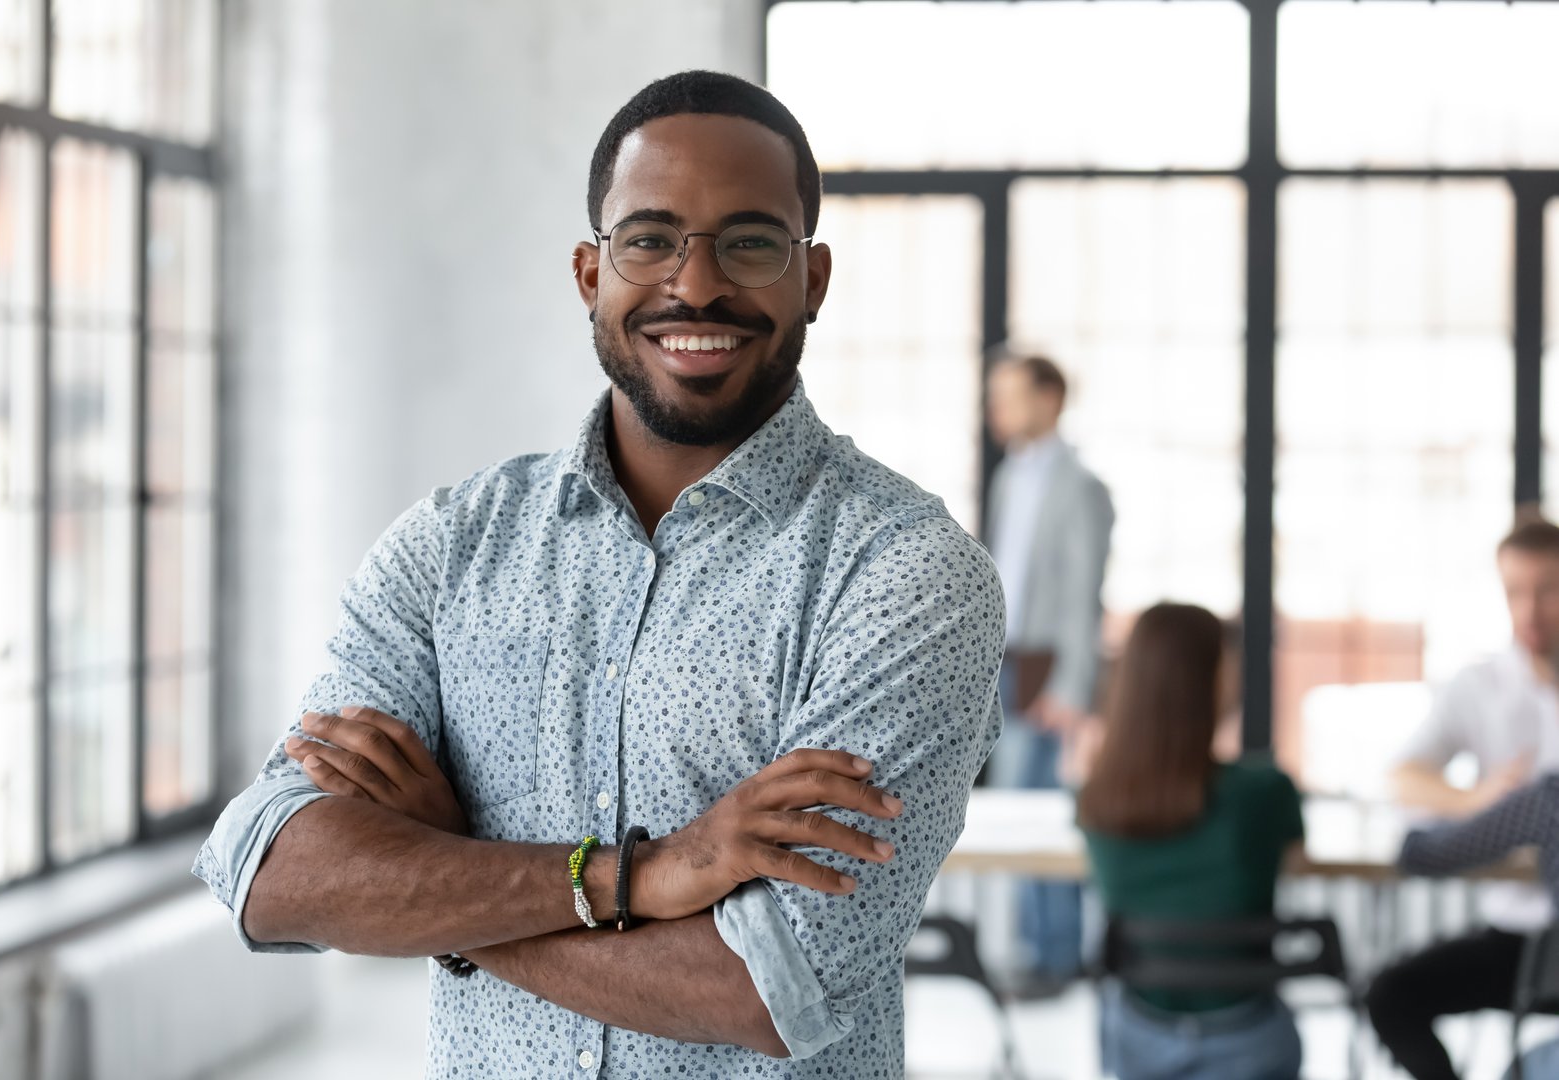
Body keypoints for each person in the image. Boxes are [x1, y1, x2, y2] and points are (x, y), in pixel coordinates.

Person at [192, 70, 1005, 1077]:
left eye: (749, 243)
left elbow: (768, 986)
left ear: (814, 279)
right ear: (590, 273)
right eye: (650, 239)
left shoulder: (904, 573)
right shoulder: (453, 545)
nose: (696, 285)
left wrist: (449, 891)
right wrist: (640, 877)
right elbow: (268, 867)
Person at [1078, 602, 1304, 1080]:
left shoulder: (1098, 800)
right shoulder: (1263, 792)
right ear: (1210, 680)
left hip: (1139, 1037)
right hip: (1246, 1038)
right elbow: (1296, 860)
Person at [1371, 513, 1559, 1078]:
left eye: (1548, 590)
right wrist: (1484, 802)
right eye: (1515, 592)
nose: (1530, 609)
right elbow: (1404, 776)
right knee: (1391, 995)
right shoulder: (1481, 686)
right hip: (1516, 936)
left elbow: (1419, 853)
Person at [982, 349, 1114, 993]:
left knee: (1046, 815)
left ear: (1050, 399)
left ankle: (1058, 959)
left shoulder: (1081, 487)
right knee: (1012, 811)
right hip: (1005, 662)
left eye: (1009, 396)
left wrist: (1071, 687)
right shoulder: (1011, 478)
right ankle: (1035, 948)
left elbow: (1084, 594)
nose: (997, 410)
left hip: (1050, 666)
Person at [1393, 775, 1559, 1079]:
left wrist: (1473, 802)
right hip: (1540, 965)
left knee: (1391, 995)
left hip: (1534, 964)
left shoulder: (1551, 796)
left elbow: (1424, 854)